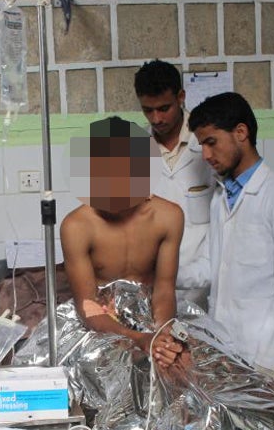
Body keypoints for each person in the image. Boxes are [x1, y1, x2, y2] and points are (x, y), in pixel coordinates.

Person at [188, 92, 274, 387]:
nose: (205, 155)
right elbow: (210, 266)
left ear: (241, 133)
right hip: (223, 350)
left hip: (262, 354)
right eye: (202, 145)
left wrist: (267, 362)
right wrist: (158, 272)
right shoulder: (221, 198)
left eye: (211, 142)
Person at [63, 116, 186, 366]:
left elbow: (164, 289)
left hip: (153, 319)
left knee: (192, 370)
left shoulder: (168, 217)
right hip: (97, 327)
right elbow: (88, 304)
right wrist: (137, 338)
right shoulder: (76, 226)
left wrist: (160, 337)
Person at [134, 60, 214, 309]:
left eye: (164, 108)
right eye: (148, 110)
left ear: (181, 97)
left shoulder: (208, 142)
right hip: (154, 285)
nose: (156, 118)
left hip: (207, 281)